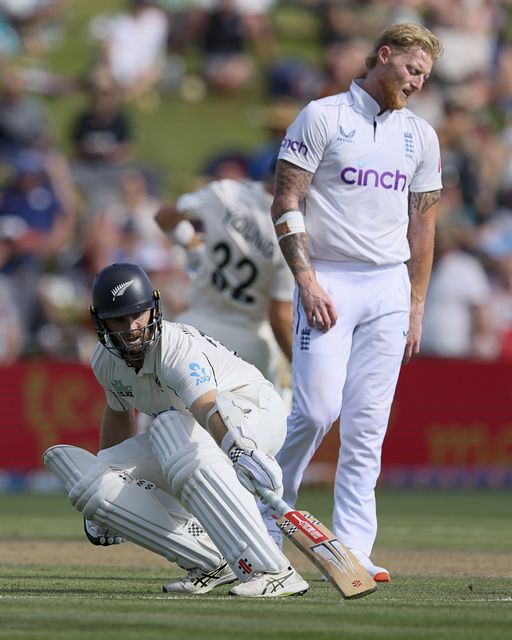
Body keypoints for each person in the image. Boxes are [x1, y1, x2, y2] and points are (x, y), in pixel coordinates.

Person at [264, 23, 444, 583]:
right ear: (383, 56)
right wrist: (308, 282)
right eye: (412, 69)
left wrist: (416, 303)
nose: (417, 82)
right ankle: (266, 516)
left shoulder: (420, 136)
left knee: (368, 425)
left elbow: (424, 226)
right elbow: (286, 199)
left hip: (388, 286)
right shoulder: (323, 116)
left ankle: (354, 550)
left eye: (425, 76)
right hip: (331, 280)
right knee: (316, 411)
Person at [43, 262, 308, 598]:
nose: (133, 326)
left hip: (250, 412)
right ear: (101, 323)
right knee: (100, 476)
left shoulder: (175, 347)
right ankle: (211, 561)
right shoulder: (104, 362)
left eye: (138, 314)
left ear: (152, 308)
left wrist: (240, 449)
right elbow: (119, 412)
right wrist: (111, 505)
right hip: (198, 429)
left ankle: (273, 568)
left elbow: (206, 406)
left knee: (171, 430)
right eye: (120, 319)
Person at [155, 163, 294, 391]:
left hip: (191, 330)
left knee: (163, 421)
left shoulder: (224, 192)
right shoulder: (290, 233)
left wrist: (190, 242)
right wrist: (299, 363)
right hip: (249, 346)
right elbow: (280, 316)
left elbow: (163, 217)